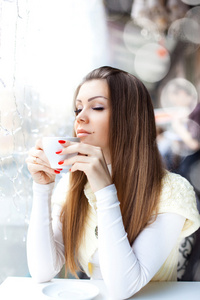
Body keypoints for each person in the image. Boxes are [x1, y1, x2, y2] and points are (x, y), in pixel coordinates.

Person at [26, 66, 200, 300]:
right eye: (78, 108)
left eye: (96, 107)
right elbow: (41, 271)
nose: (80, 116)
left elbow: (123, 288)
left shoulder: (171, 191)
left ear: (130, 118)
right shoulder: (72, 185)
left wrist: (105, 191)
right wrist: (42, 188)